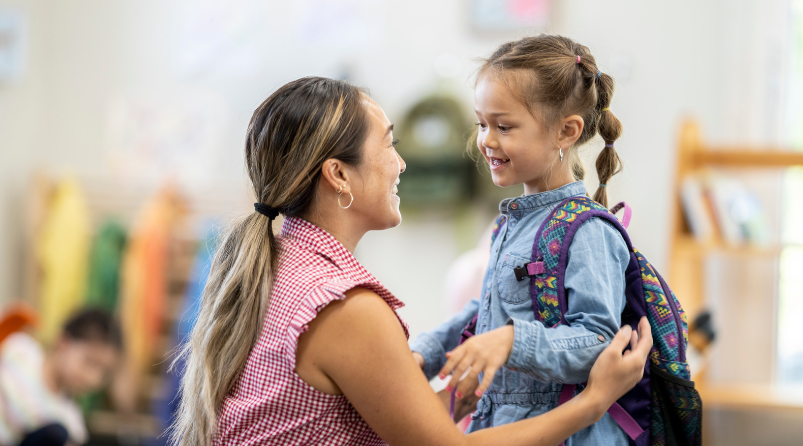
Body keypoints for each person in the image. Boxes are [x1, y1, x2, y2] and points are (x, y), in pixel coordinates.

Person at [171, 76, 652, 446]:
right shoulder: (344, 307)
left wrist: (443, 397)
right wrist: (593, 402)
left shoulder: (280, 264)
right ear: (338, 174)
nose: (402, 164)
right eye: (389, 144)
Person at [410, 34, 635, 445]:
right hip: (502, 423)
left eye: (504, 126)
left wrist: (513, 340)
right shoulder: (509, 225)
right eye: (482, 123)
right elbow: (485, 311)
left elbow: (601, 341)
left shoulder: (588, 232)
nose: (486, 140)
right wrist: (423, 353)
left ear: (566, 132)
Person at [0, 308, 121, 446]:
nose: (93, 378)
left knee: (57, 433)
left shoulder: (70, 421)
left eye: (104, 373)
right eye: (90, 362)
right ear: (63, 342)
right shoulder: (21, 350)